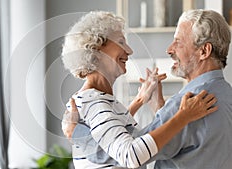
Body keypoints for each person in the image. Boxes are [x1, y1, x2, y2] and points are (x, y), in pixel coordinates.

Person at [63, 9, 232, 169]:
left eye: (178, 41)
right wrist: (154, 105)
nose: (169, 49)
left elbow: (130, 152)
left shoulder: (186, 107)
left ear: (204, 51)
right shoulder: (226, 95)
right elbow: (129, 144)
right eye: (121, 42)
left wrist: (77, 134)